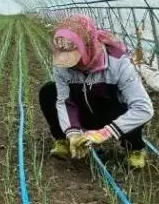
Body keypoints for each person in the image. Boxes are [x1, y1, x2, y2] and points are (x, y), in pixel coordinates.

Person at [39, 15, 153, 169]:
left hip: (110, 114)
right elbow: (64, 102)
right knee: (48, 92)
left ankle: (135, 148)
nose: (69, 64)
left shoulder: (118, 63)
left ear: (87, 47)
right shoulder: (62, 65)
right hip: (83, 111)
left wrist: (104, 133)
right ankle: (65, 140)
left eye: (74, 57)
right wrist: (73, 133)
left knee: (124, 106)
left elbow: (143, 108)